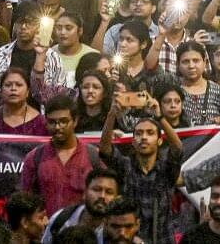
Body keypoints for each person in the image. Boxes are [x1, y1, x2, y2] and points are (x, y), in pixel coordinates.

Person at [98, 95, 182, 244]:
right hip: (129, 239)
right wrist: (112, 114)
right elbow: (105, 150)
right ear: (132, 142)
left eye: (150, 133)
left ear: (160, 140)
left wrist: (160, 116)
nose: (144, 137)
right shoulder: (125, 166)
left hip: (163, 239)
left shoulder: (166, 168)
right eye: (138, 133)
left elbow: (177, 149)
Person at [21, 96, 100, 218]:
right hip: (47, 232)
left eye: (63, 121)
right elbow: (25, 201)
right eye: (52, 122)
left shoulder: (93, 156)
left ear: (75, 121)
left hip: (83, 232)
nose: (58, 127)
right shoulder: (34, 158)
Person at [43, 167, 122, 238]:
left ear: (117, 199)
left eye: (109, 192)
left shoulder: (119, 231)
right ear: (84, 193)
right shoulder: (61, 219)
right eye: (97, 189)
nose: (102, 196)